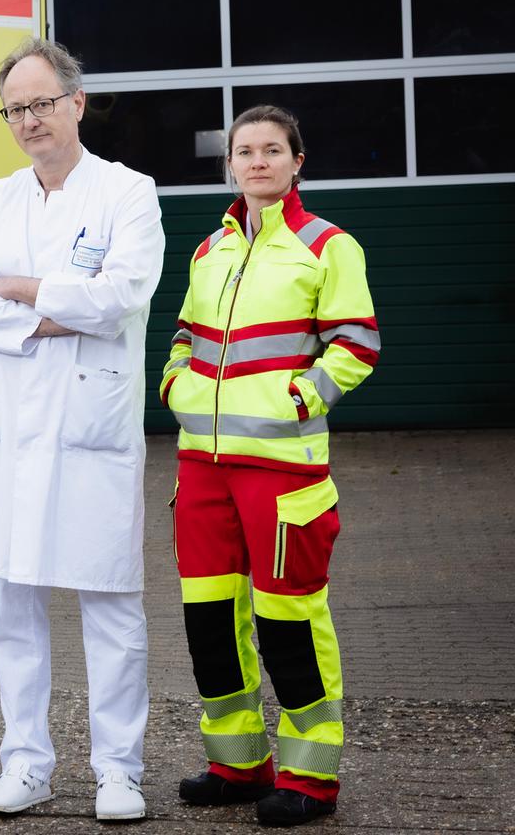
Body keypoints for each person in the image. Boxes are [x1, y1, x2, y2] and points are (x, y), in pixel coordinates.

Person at [0, 37, 164, 822]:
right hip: (12, 430)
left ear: (76, 103)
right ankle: (27, 764)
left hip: (91, 428)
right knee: (14, 608)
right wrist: (51, 315)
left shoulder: (128, 192)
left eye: (42, 103)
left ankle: (118, 771)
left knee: (111, 604)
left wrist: (25, 292)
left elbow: (124, 296)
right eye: (15, 109)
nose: (29, 120)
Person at [159, 105, 377, 828]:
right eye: (244, 151)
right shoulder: (208, 250)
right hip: (204, 470)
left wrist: (299, 395)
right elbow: (185, 336)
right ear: (230, 165)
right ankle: (238, 764)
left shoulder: (327, 245)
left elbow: (356, 343)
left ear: (296, 161)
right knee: (210, 620)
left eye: (271, 150)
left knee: (288, 621)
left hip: (283, 472)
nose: (257, 161)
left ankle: (312, 779)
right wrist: (173, 384)